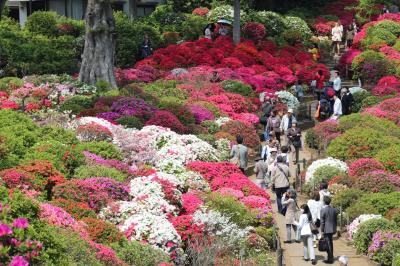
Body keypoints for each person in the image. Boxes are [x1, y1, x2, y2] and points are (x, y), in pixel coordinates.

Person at [320, 196, 338, 264]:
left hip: (326, 229)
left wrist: (322, 230)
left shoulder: (323, 210)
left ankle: (330, 258)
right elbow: (336, 220)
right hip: (332, 228)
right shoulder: (334, 209)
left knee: (328, 243)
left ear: (324, 202)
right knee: (330, 242)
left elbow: (322, 221)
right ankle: (330, 256)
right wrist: (335, 228)